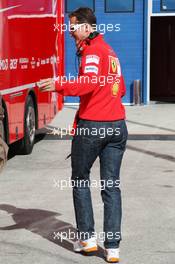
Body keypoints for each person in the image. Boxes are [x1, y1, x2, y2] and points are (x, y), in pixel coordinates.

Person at [39, 7, 128, 263]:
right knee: (111, 186)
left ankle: (87, 240)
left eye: (73, 26)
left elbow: (88, 83)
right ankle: (112, 248)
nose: (69, 31)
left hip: (93, 127)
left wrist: (59, 85)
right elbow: (120, 89)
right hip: (117, 127)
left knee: (80, 180)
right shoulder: (111, 52)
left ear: (87, 27)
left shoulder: (92, 51)